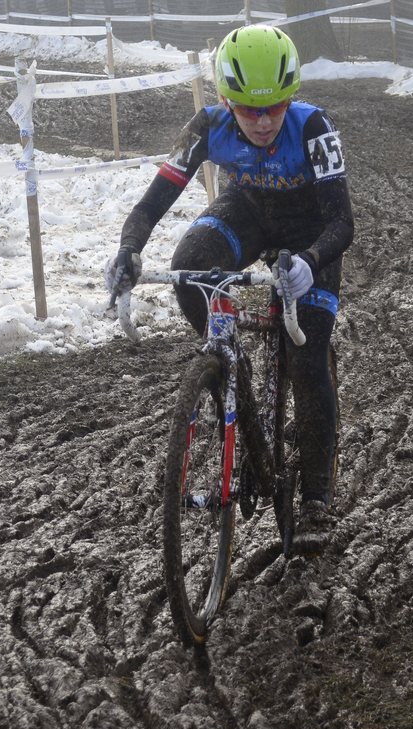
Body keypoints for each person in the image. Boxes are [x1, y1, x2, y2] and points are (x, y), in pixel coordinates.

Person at [105, 23, 354, 546]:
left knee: (305, 358)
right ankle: (227, 366)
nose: (263, 122)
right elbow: (154, 201)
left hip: (310, 229)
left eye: (274, 108)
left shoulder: (314, 128)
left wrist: (310, 260)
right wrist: (129, 248)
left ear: (291, 97)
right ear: (224, 99)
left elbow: (342, 223)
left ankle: (315, 500)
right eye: (248, 110)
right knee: (191, 262)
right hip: (247, 212)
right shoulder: (205, 126)